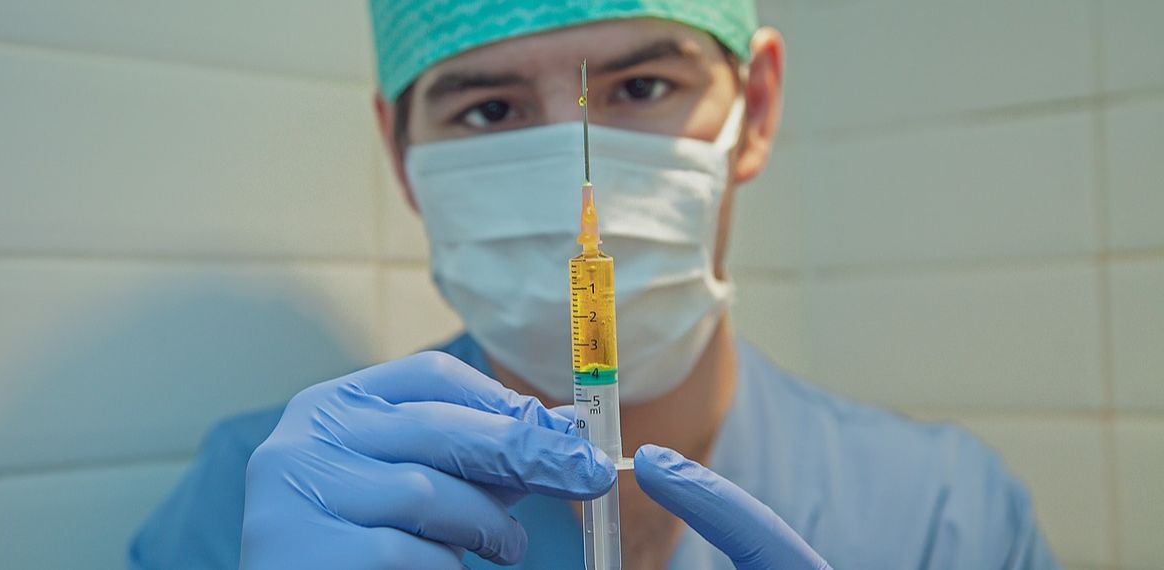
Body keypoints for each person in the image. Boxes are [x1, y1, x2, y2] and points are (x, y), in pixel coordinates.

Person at [130, 1, 1060, 569]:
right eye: (489, 109)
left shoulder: (945, 516)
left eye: (643, 87)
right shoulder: (273, 504)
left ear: (755, 108)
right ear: (401, 156)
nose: (568, 164)